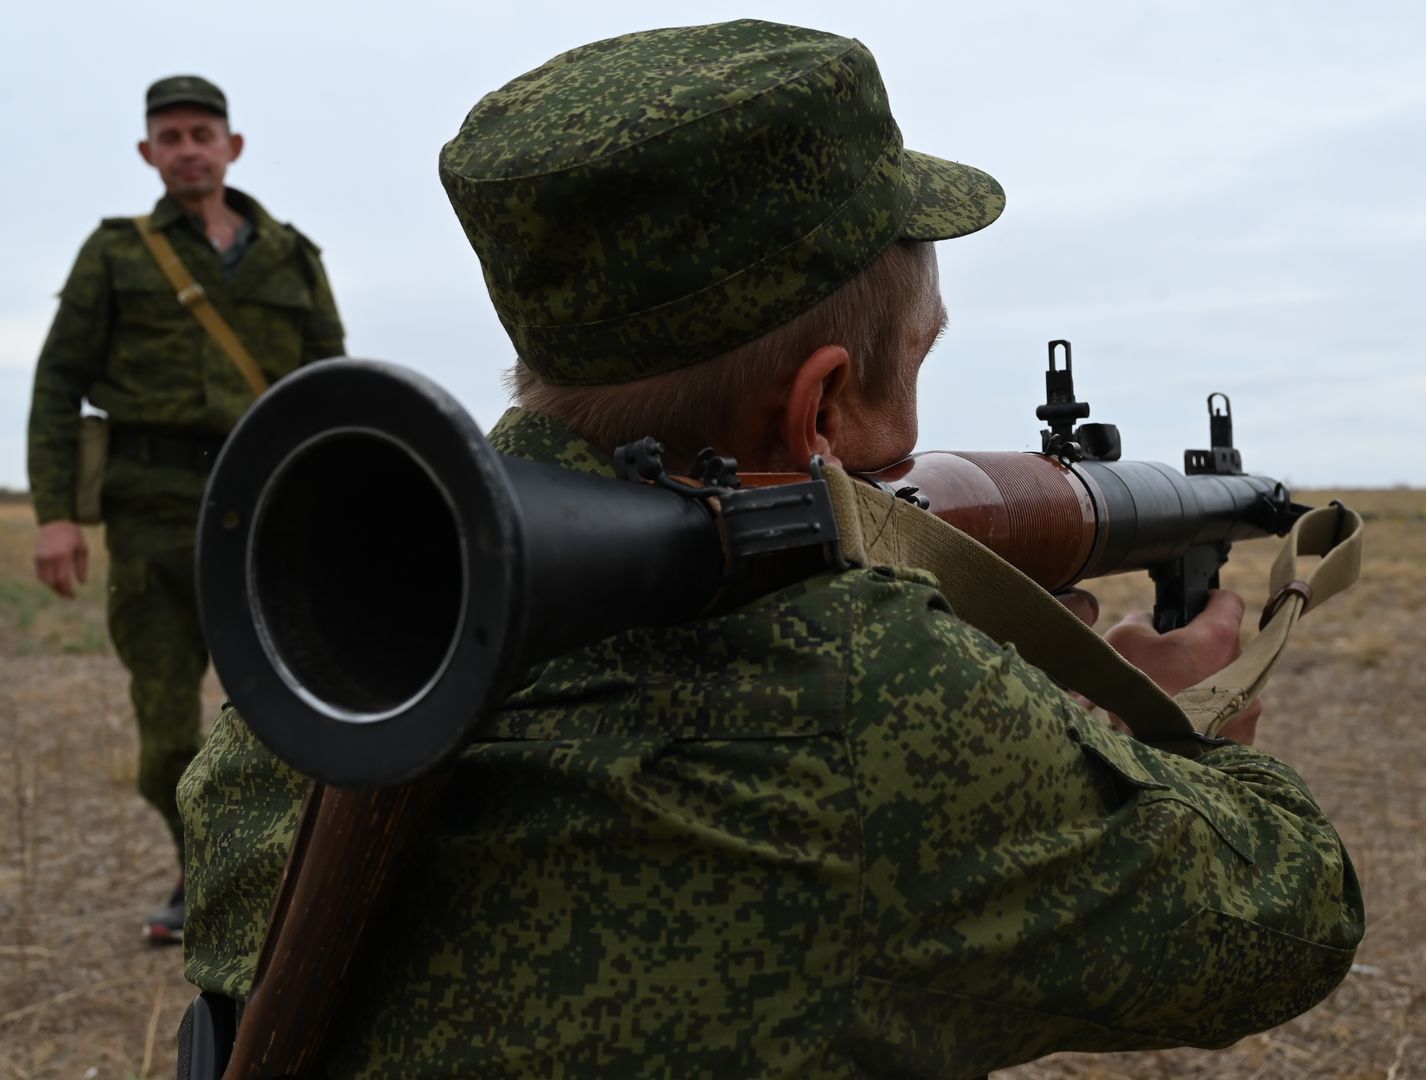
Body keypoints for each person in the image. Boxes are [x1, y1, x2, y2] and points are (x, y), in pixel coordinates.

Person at [179, 21, 1361, 1076]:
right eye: (921, 358)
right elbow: (1290, 911)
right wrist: (1191, 740)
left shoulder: (320, 675)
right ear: (820, 408)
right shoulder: (860, 707)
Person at [26, 75, 345, 943]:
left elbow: (331, 385)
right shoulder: (115, 254)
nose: (187, 149)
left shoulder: (290, 254)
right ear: (147, 154)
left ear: (232, 146)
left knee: (303, 707)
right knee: (167, 735)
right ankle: (198, 866)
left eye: (202, 133)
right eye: (169, 137)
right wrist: (55, 514)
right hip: (152, 514)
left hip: (273, 509)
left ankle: (287, 875)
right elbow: (57, 385)